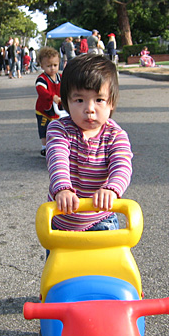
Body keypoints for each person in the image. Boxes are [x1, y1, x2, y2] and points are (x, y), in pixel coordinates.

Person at [45, 53, 133, 231]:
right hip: (61, 221)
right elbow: (57, 158)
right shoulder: (59, 129)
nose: (89, 109)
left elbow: (122, 165)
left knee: (108, 260)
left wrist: (112, 189)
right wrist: (62, 188)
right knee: (59, 260)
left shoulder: (115, 135)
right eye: (79, 100)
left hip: (101, 220)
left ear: (112, 102)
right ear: (66, 102)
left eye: (99, 100)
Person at [35, 46, 62, 158]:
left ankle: (61, 144)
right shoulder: (42, 79)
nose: (52, 68)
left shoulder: (60, 77)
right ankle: (45, 146)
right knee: (44, 127)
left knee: (61, 126)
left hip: (58, 109)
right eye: (49, 66)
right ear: (42, 66)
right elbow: (40, 90)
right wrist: (52, 96)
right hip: (44, 109)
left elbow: (67, 88)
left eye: (55, 65)